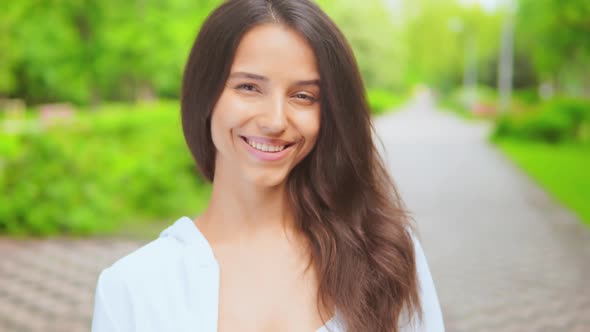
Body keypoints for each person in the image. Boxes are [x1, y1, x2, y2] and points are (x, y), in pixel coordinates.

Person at [91, 0, 444, 331]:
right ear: (206, 94)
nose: (275, 120)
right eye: (249, 87)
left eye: (303, 96)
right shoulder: (132, 286)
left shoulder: (384, 255)